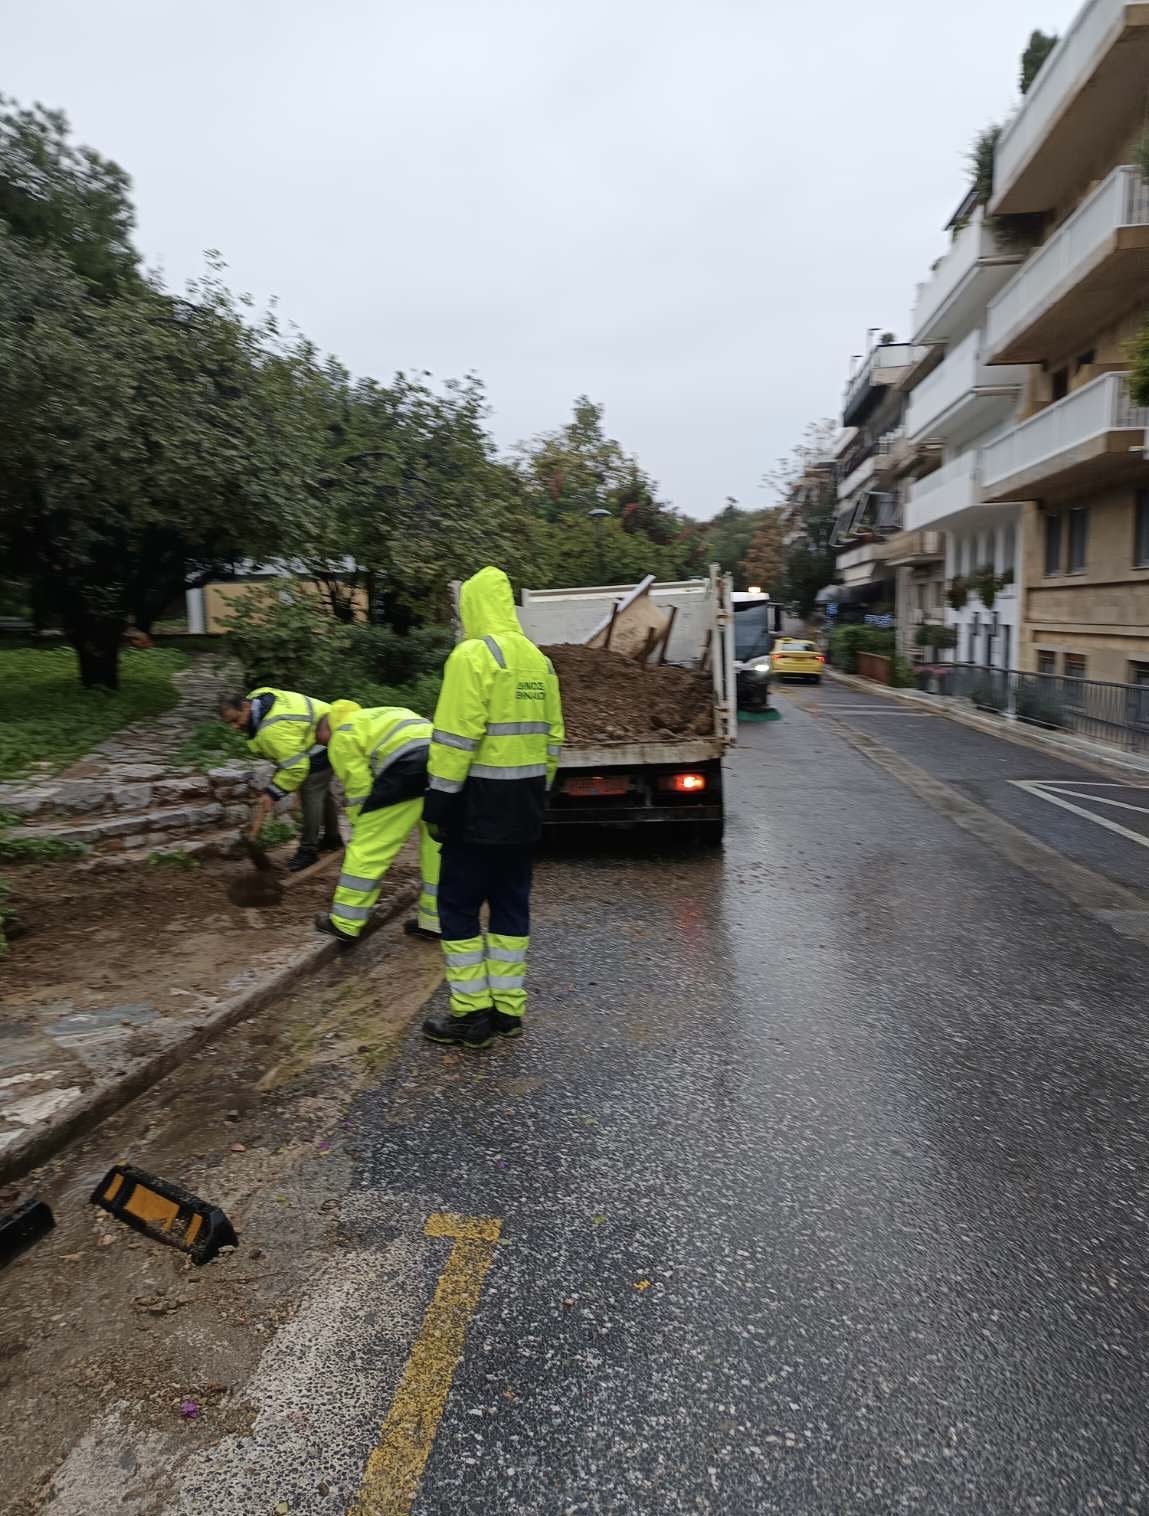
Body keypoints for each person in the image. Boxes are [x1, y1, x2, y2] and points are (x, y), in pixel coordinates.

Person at [421, 565, 564, 1050]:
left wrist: (438, 804)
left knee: (457, 908)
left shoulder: (473, 656)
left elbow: (455, 739)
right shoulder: (539, 662)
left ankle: (470, 1015)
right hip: (524, 811)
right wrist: (536, 793)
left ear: (472, 606)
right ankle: (507, 1013)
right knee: (510, 909)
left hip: (475, 811)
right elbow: (553, 739)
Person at [311, 700, 441, 943]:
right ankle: (435, 922)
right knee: (438, 848)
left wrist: (361, 826)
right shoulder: (387, 713)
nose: (324, 745)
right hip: (443, 765)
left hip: (405, 769)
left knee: (369, 849)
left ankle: (345, 923)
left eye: (321, 741)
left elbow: (359, 789)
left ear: (325, 728)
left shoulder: (342, 735)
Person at [219, 688, 341, 871]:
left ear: (245, 706)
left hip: (326, 738)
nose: (234, 727)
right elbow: (287, 753)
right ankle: (332, 837)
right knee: (321, 790)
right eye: (229, 723)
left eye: (236, 720)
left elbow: (296, 767)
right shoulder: (257, 699)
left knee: (311, 793)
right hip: (328, 726)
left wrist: (272, 793)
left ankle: (308, 851)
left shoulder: (272, 729)